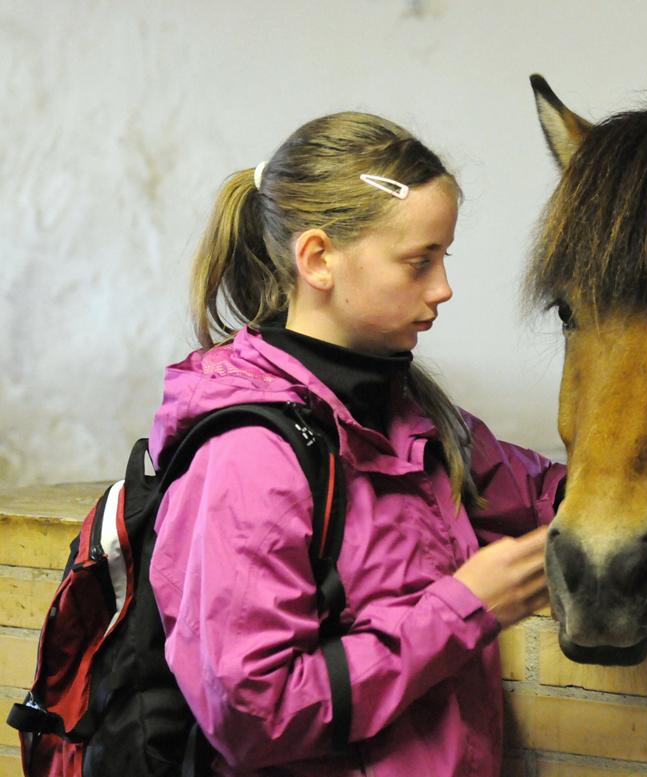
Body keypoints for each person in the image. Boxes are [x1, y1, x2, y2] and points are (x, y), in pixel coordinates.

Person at [148, 111, 564, 776]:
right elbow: (253, 713)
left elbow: (544, 493)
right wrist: (463, 608)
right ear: (317, 259)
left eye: (443, 258)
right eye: (417, 262)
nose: (443, 288)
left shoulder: (415, 417)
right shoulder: (251, 456)